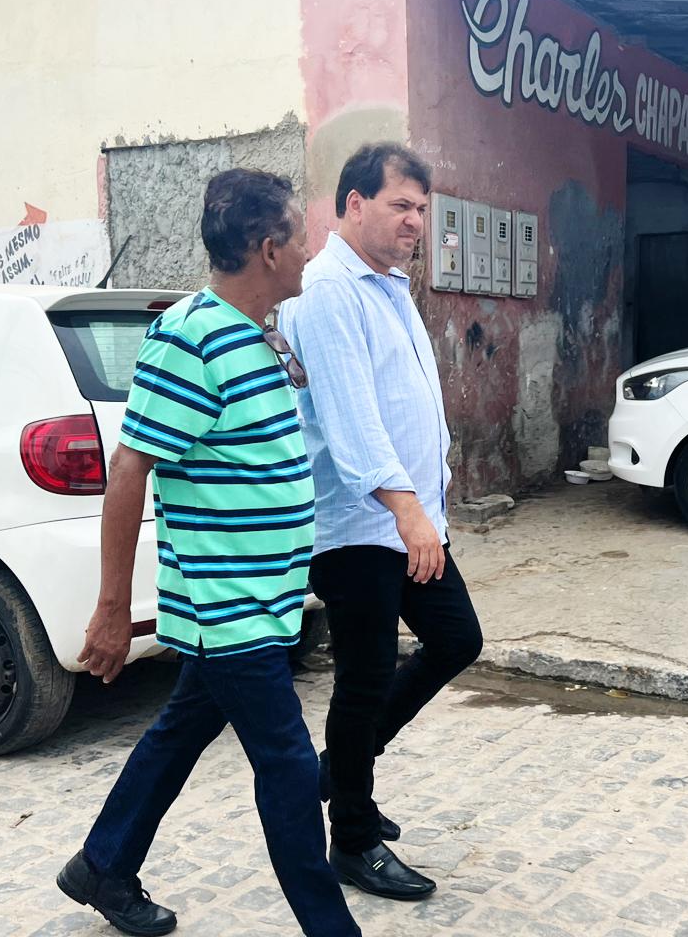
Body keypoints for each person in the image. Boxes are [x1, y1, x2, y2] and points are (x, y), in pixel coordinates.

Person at [55, 169, 361, 937]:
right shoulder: (191, 337)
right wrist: (113, 609)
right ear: (268, 248)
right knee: (290, 769)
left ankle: (103, 863)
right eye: (301, 233)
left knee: (182, 729)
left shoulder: (256, 331)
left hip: (259, 597)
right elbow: (132, 466)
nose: (309, 247)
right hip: (228, 609)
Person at [279, 143, 483, 901]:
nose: (416, 222)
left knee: (458, 638)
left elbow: (407, 397)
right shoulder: (329, 289)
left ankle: (343, 771)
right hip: (359, 522)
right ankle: (353, 840)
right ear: (353, 204)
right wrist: (406, 510)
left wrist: (430, 498)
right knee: (362, 679)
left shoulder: (388, 284)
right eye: (401, 205)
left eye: (423, 208)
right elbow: (351, 417)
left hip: (406, 518)